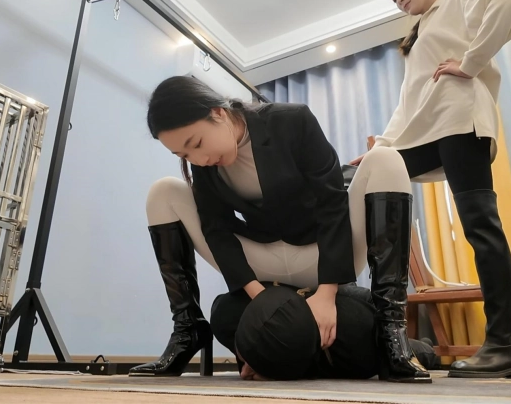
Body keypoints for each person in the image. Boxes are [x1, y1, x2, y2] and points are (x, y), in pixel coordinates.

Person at [130, 75, 430, 383]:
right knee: (163, 192)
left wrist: (327, 294)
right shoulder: (204, 164)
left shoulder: (292, 120)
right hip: (264, 260)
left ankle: (392, 331)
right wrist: (259, 299)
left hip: (322, 253)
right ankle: (188, 330)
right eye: (184, 155)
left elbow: (332, 206)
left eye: (196, 144)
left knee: (385, 158)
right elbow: (216, 231)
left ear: (217, 113)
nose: (199, 159)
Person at [350, 0, 511, 379]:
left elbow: (507, 1)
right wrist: (382, 149)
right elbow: (409, 100)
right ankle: (383, 327)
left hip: (460, 123)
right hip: (426, 132)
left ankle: (503, 346)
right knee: (357, 182)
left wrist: (470, 62)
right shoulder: (418, 32)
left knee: (481, 226)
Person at [210, 283, 440, 381]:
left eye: (250, 366)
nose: (243, 374)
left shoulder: (361, 344)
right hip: (296, 297)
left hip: (355, 307)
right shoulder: (227, 319)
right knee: (226, 312)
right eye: (244, 361)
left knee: (410, 352)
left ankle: (425, 345)